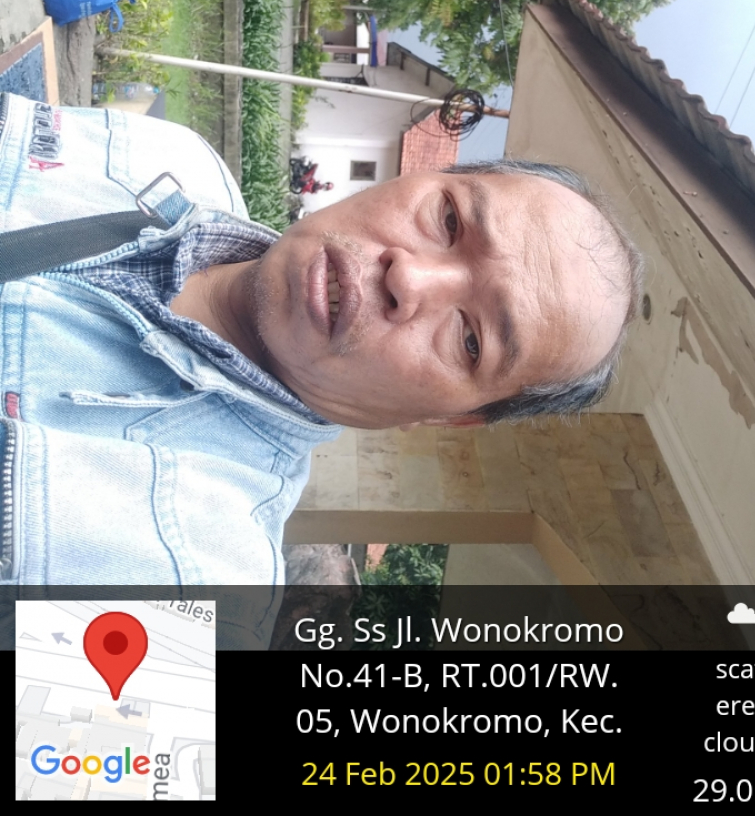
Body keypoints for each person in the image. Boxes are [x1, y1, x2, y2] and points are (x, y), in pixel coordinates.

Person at [0, 94, 643, 585]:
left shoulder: (194, 575)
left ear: (453, 418)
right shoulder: (167, 155)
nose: (409, 277)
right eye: (448, 218)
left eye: (471, 341)